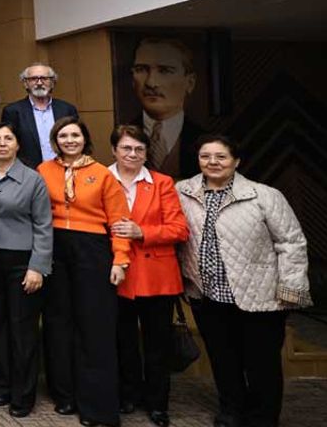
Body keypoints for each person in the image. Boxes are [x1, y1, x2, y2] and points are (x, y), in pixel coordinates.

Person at [176, 135, 311, 427]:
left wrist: (290, 288)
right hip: (207, 296)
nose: (212, 162)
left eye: (221, 156)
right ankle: (231, 411)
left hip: (259, 297)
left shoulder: (264, 195)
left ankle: (262, 418)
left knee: (262, 364)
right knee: (223, 360)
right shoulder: (182, 192)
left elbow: (291, 243)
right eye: (205, 156)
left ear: (236, 161)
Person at [38, 116, 130, 427]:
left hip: (92, 249)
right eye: (63, 136)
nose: (69, 140)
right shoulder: (43, 170)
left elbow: (119, 221)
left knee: (95, 326)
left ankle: (97, 406)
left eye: (75, 135)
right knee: (58, 322)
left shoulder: (102, 174)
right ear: (55, 141)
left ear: (85, 139)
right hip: (54, 247)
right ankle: (64, 394)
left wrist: (120, 259)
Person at [108, 125, 188, 427]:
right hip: (117, 275)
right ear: (114, 150)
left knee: (157, 345)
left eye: (139, 149)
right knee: (123, 341)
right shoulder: (101, 179)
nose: (132, 154)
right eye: (126, 148)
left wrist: (142, 231)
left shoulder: (162, 182)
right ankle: (128, 394)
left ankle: (158, 404)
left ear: (146, 153)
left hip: (157, 276)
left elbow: (179, 229)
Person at [0, 122, 52, 418]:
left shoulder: (33, 179)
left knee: (22, 328)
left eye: (8, 138)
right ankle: (3, 384)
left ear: (18, 145)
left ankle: (24, 392)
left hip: (23, 261)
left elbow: (44, 225)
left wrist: (37, 267)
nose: (2, 143)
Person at [129, 38, 206, 179]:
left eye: (165, 71)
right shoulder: (120, 136)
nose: (151, 82)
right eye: (141, 70)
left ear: (190, 82)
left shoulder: (206, 139)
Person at [2, 63, 79, 168]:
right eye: (33, 79)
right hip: (28, 172)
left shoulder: (67, 109)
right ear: (25, 83)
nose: (39, 83)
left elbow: (78, 139)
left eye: (44, 78)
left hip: (65, 169)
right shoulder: (12, 111)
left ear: (52, 83)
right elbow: (8, 144)